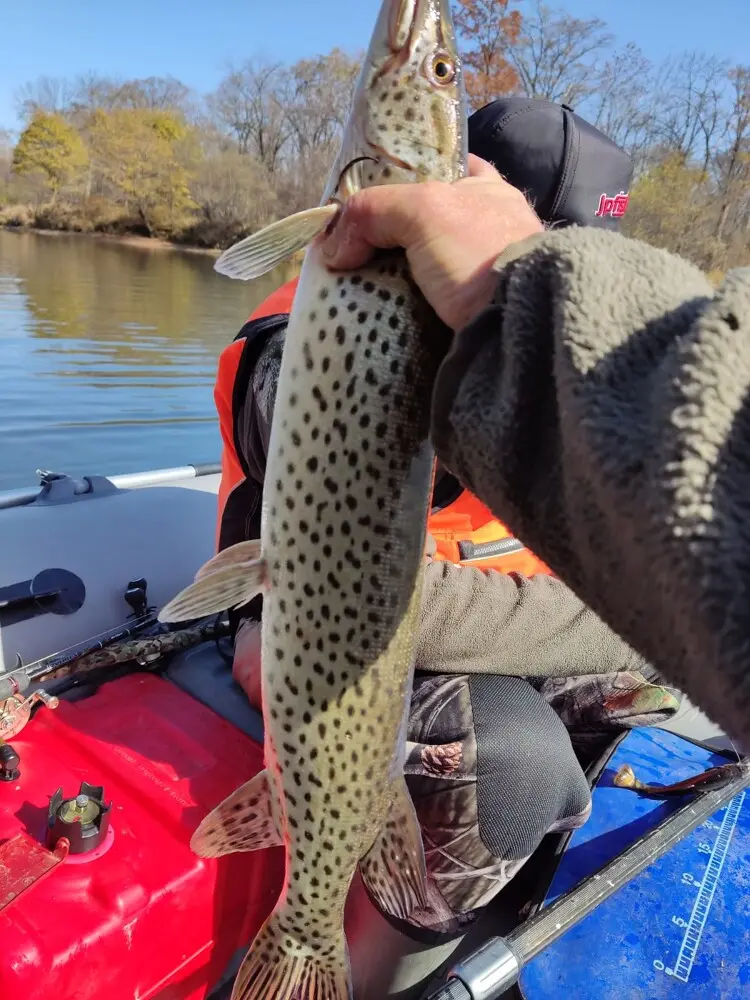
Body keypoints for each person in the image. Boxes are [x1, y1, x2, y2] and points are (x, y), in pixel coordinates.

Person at [214, 100, 680, 934]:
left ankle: (540, 888)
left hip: (502, 618)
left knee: (640, 695)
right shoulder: (315, 327)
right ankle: (379, 954)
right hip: (363, 651)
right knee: (520, 763)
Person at [319, 117, 750, 752]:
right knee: (522, 762)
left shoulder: (601, 379)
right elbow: (373, 596)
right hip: (393, 654)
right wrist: (645, 615)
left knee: (657, 702)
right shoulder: (355, 338)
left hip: (535, 621)